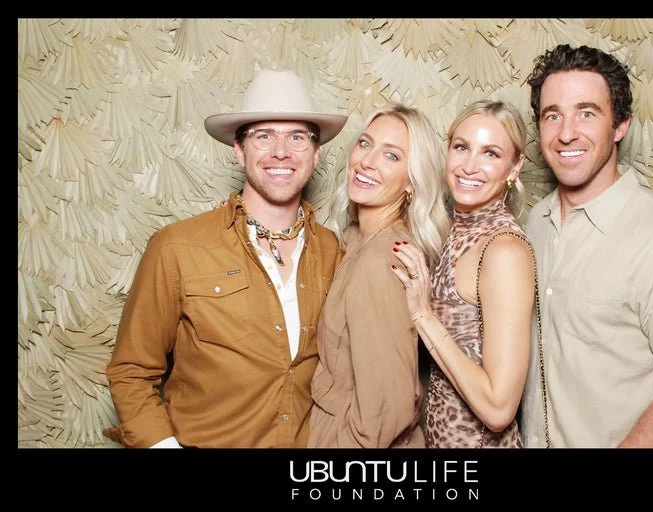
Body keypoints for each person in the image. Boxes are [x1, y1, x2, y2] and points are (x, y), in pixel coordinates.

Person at [104, 69, 348, 448]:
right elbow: (131, 371)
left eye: (297, 137)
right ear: (239, 150)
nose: (280, 151)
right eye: (263, 136)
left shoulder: (334, 251)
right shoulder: (177, 247)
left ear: (316, 154)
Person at [519, 44, 653, 448]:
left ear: (620, 126)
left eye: (586, 113)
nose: (566, 133)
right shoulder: (535, 224)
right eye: (552, 115)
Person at [390, 100, 535, 448]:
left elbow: (499, 409)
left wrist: (423, 315)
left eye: (490, 154)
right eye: (462, 147)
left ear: (514, 167)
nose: (470, 166)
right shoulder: (448, 230)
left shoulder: (504, 252)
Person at [307, 104, 450, 448]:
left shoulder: (381, 261)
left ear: (412, 182)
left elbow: (386, 413)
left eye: (391, 155)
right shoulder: (356, 240)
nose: (367, 162)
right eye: (366, 144)